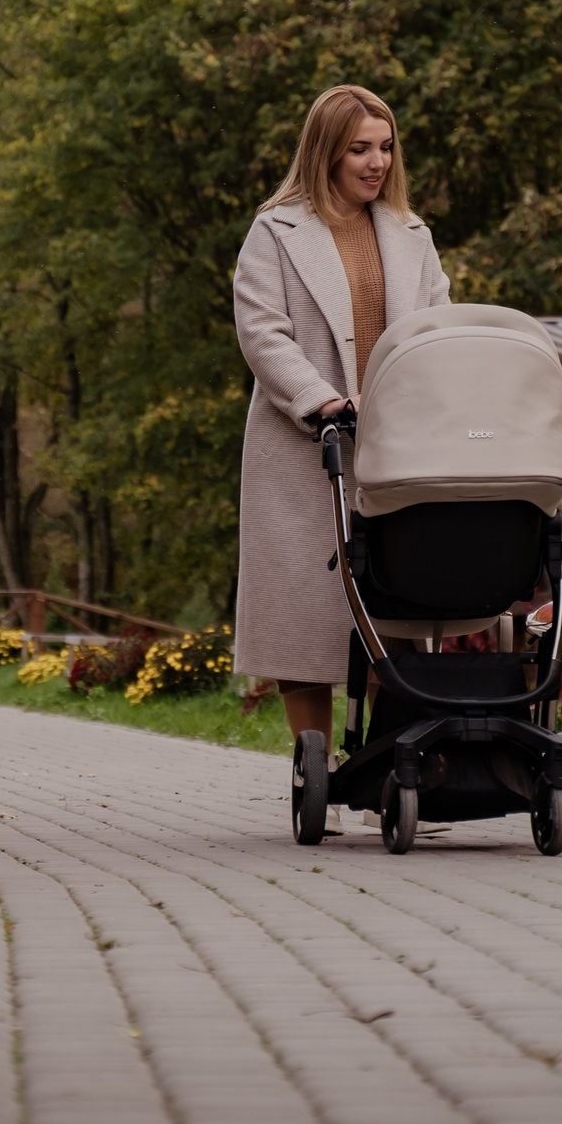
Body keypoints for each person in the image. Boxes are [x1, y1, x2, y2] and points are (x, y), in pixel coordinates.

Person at [233, 84, 449, 829]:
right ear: (325, 150)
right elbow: (262, 331)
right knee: (304, 611)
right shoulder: (276, 231)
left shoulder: (412, 234)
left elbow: (438, 328)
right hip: (306, 447)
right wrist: (320, 398)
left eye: (385, 147)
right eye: (359, 148)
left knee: (392, 606)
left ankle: (394, 769)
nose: (376, 162)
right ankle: (316, 766)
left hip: (396, 445)